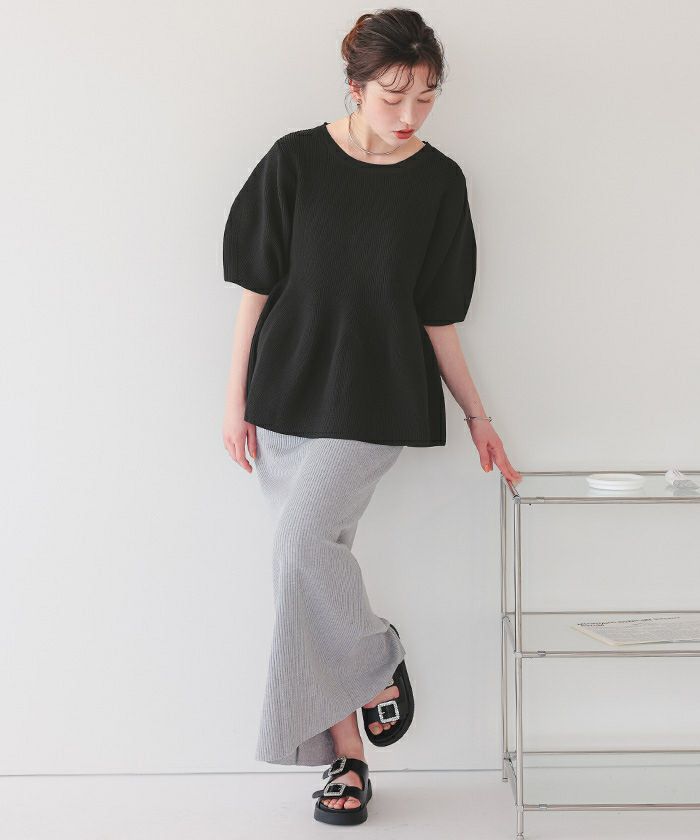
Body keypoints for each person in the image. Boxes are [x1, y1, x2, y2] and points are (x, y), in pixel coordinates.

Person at [221, 8, 522, 826]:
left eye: (426, 97)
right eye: (394, 96)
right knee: (301, 576)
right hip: (285, 393)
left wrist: (478, 414)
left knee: (298, 546)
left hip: (377, 395)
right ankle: (347, 761)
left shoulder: (439, 182)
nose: (409, 114)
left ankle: (378, 657)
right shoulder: (293, 160)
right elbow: (256, 291)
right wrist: (233, 398)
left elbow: (437, 316)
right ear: (354, 87)